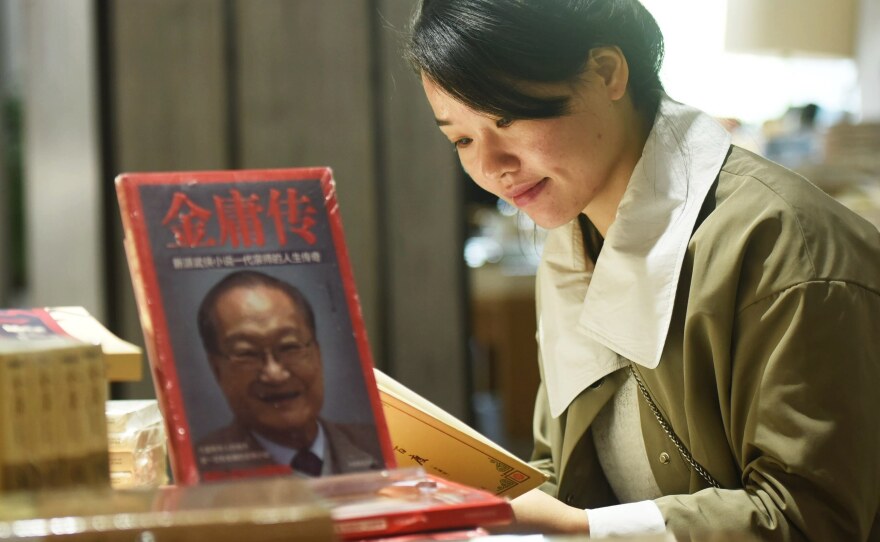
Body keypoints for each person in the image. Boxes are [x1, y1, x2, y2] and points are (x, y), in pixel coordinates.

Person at [405, 0, 880, 539]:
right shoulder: (571, 241)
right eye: (462, 140)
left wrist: (584, 528)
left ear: (607, 72)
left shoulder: (786, 246)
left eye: (507, 118)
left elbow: (813, 519)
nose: (491, 168)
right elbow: (567, 474)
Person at [195, 270, 383, 477]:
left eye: (289, 347)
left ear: (317, 353)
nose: (275, 374)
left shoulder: (382, 446)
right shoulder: (199, 471)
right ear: (217, 369)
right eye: (247, 353)